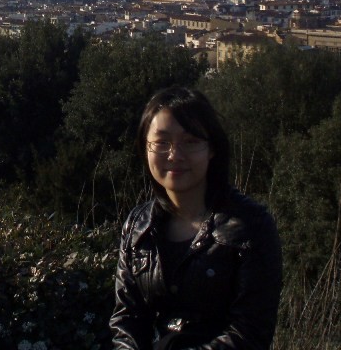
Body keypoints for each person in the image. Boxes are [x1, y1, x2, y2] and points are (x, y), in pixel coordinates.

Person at [110, 86, 283, 349]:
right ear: (145, 147)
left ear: (212, 149)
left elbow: (250, 333)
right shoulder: (138, 226)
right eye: (161, 142)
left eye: (190, 142)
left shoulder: (249, 228)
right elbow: (127, 321)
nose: (174, 155)